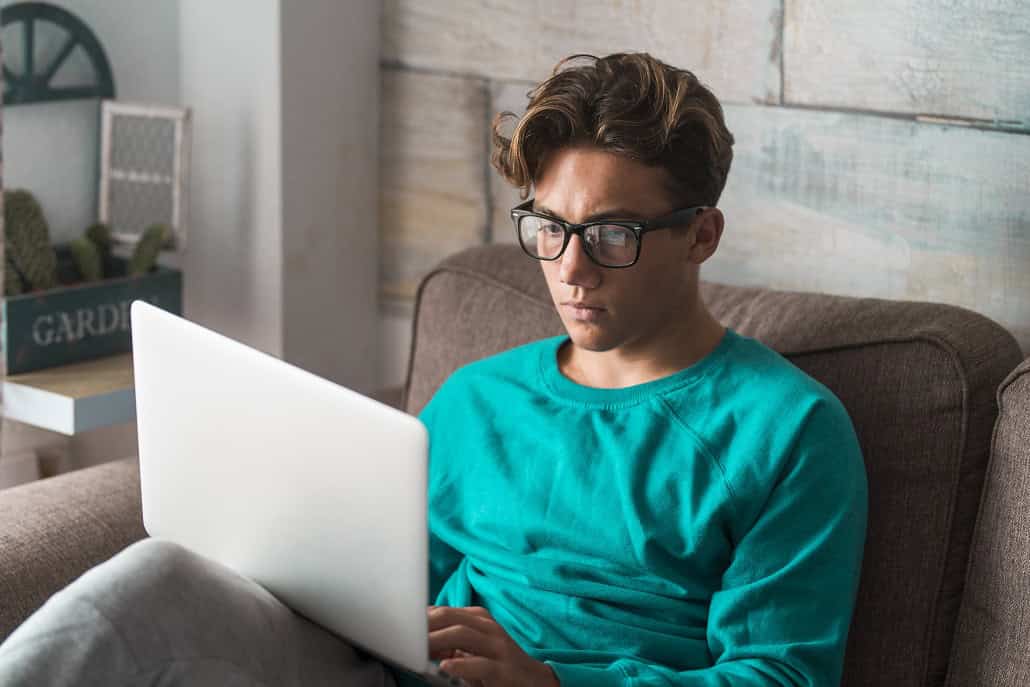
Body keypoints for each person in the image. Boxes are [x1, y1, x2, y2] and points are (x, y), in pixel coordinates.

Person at [0, 52, 867, 687]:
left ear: (701, 236)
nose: (570, 268)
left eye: (612, 234)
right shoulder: (479, 400)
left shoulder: (786, 431)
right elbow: (371, 589)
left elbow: (779, 677)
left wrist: (551, 684)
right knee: (161, 580)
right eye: (549, 228)